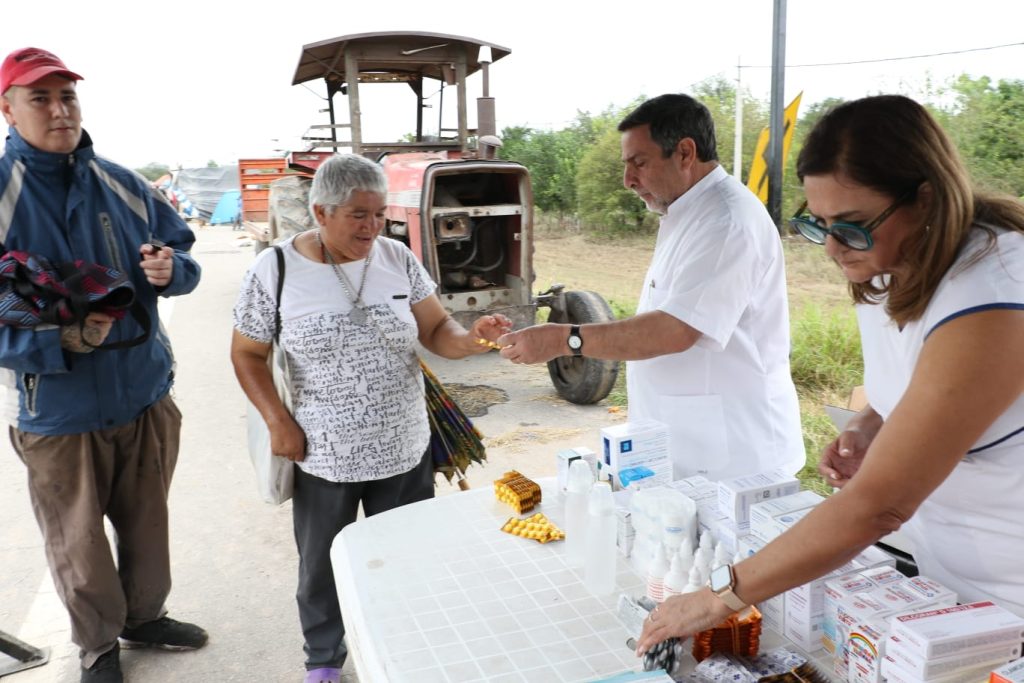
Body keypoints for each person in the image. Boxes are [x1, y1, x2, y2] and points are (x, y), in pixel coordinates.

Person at [636, 94, 1024, 656]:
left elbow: (878, 506)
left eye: (854, 225)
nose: (834, 249)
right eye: (819, 225)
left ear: (926, 198)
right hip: (950, 571)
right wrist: (870, 422)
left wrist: (719, 595)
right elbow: (920, 381)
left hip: (1012, 583)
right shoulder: (891, 260)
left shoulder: (993, 295)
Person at [230, 153, 511, 683]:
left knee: (406, 556)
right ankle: (323, 660)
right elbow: (247, 354)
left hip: (404, 448)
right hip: (324, 453)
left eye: (379, 213)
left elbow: (437, 331)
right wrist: (277, 421)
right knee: (322, 565)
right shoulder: (276, 269)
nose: (372, 226)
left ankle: (401, 648)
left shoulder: (397, 258)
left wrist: (474, 339)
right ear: (320, 212)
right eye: (358, 215)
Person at [0, 47, 205, 683]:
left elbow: (184, 256)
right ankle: (97, 646)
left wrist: (171, 271)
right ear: (8, 110)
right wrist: (57, 342)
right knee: (78, 541)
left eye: (68, 97)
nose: (59, 110)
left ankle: (145, 616)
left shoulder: (123, 182)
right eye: (40, 98)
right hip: (58, 408)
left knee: (148, 524)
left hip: (144, 392)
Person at [498, 93, 804, 482]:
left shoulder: (727, 221)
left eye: (639, 163)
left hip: (736, 456)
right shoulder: (687, 212)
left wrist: (565, 339)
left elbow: (674, 329)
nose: (628, 180)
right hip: (691, 441)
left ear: (685, 153)